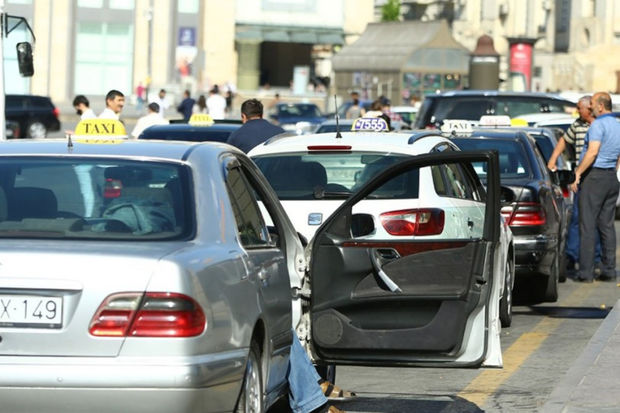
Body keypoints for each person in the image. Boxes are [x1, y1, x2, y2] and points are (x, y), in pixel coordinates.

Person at [228, 98, 350, 413]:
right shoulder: (277, 136)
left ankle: (312, 393)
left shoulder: (239, 146)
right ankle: (312, 395)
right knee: (280, 326)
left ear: (243, 117)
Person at [547, 95, 601, 273]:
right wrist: (553, 159)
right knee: (577, 218)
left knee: (597, 219)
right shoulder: (577, 124)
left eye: (580, 107)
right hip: (580, 177)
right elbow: (564, 140)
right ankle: (572, 256)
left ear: (589, 108)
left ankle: (596, 258)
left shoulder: (599, 125)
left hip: (596, 176)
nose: (577, 110)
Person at [570, 92, 620, 282]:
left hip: (594, 177)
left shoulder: (598, 125)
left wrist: (577, 173)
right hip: (610, 177)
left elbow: (592, 153)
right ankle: (608, 270)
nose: (589, 108)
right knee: (607, 225)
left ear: (600, 106)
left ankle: (586, 272)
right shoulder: (617, 125)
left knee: (588, 226)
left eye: (591, 104)